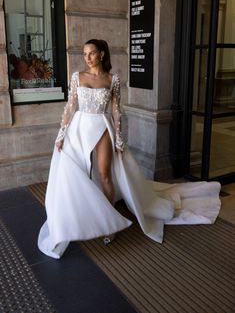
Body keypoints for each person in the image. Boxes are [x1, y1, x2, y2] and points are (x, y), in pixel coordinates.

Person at [38, 39, 221, 259]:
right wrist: (61, 135)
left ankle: (108, 223)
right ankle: (81, 218)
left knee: (105, 174)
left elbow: (116, 111)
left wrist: (119, 138)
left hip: (102, 126)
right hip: (78, 127)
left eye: (92, 53)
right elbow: (70, 107)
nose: (87, 58)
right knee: (79, 174)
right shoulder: (78, 77)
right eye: (85, 54)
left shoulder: (112, 80)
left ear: (102, 54)